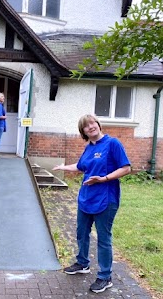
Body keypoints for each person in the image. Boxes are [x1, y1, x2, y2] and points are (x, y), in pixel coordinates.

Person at [52, 114, 131, 294]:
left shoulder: (113, 144)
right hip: (86, 198)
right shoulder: (89, 147)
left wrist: (104, 178)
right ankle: (82, 263)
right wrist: (64, 167)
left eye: (92, 123)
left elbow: (126, 168)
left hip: (105, 198)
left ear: (98, 124)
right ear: (83, 132)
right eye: (86, 126)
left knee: (103, 238)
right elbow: (81, 167)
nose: (90, 127)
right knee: (81, 232)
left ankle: (105, 277)